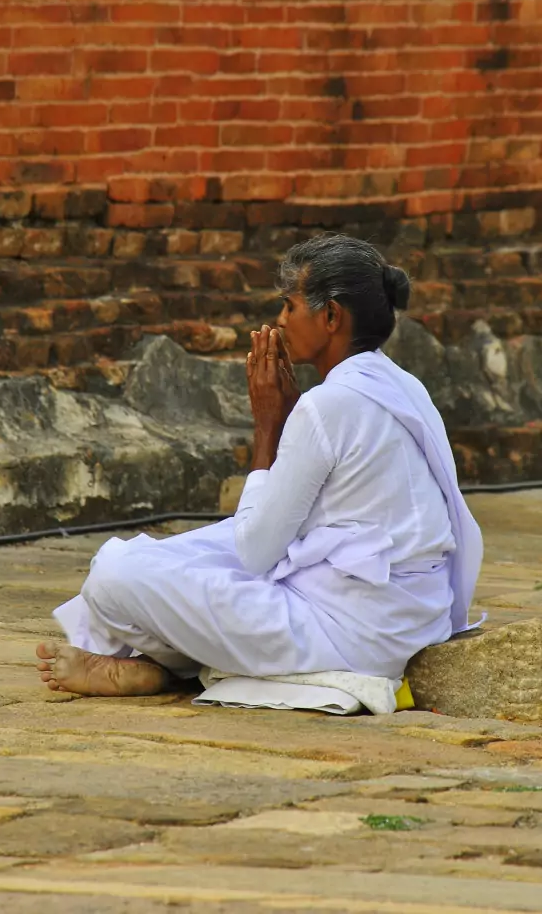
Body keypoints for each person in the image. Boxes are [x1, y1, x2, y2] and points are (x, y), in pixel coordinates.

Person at [36, 235, 483, 697]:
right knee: (189, 550)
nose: (280, 321)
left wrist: (269, 428)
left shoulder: (328, 404)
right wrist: (292, 423)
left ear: (330, 316)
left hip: (354, 632)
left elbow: (256, 552)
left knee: (114, 574)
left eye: (290, 307)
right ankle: (158, 662)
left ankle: (166, 666)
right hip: (415, 614)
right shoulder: (404, 385)